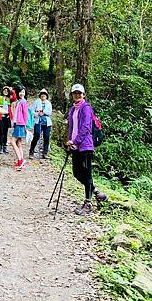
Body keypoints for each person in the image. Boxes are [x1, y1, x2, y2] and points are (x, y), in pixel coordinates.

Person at [66, 83, 108, 215]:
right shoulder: (73, 109)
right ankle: (97, 193)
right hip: (75, 146)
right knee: (77, 173)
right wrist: (69, 143)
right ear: (72, 95)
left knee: (87, 173)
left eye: (80, 93)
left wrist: (75, 141)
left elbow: (86, 127)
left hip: (85, 145)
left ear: (84, 95)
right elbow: (71, 128)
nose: (77, 95)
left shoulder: (86, 108)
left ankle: (88, 203)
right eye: (75, 93)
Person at [28, 88, 53, 159]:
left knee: (46, 137)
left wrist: (43, 111)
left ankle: (45, 153)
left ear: (46, 96)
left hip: (47, 122)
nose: (43, 96)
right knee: (37, 135)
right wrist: (37, 113)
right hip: (38, 121)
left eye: (44, 95)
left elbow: (50, 112)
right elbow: (32, 111)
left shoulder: (48, 103)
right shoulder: (36, 102)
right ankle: (31, 151)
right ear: (40, 95)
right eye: (42, 94)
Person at [10, 85, 28, 171]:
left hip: (20, 124)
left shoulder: (23, 102)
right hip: (18, 124)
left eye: (23, 92)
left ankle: (20, 160)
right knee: (19, 143)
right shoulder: (19, 101)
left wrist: (25, 126)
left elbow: (25, 114)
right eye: (20, 92)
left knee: (12, 141)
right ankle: (21, 160)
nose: (21, 93)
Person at [0, 86, 11, 154]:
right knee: (1, 132)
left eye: (7, 91)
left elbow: (14, 96)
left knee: (5, 132)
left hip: (7, 117)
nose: (5, 92)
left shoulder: (9, 99)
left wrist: (11, 90)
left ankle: (5, 146)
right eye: (4, 90)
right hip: (1, 117)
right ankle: (1, 147)